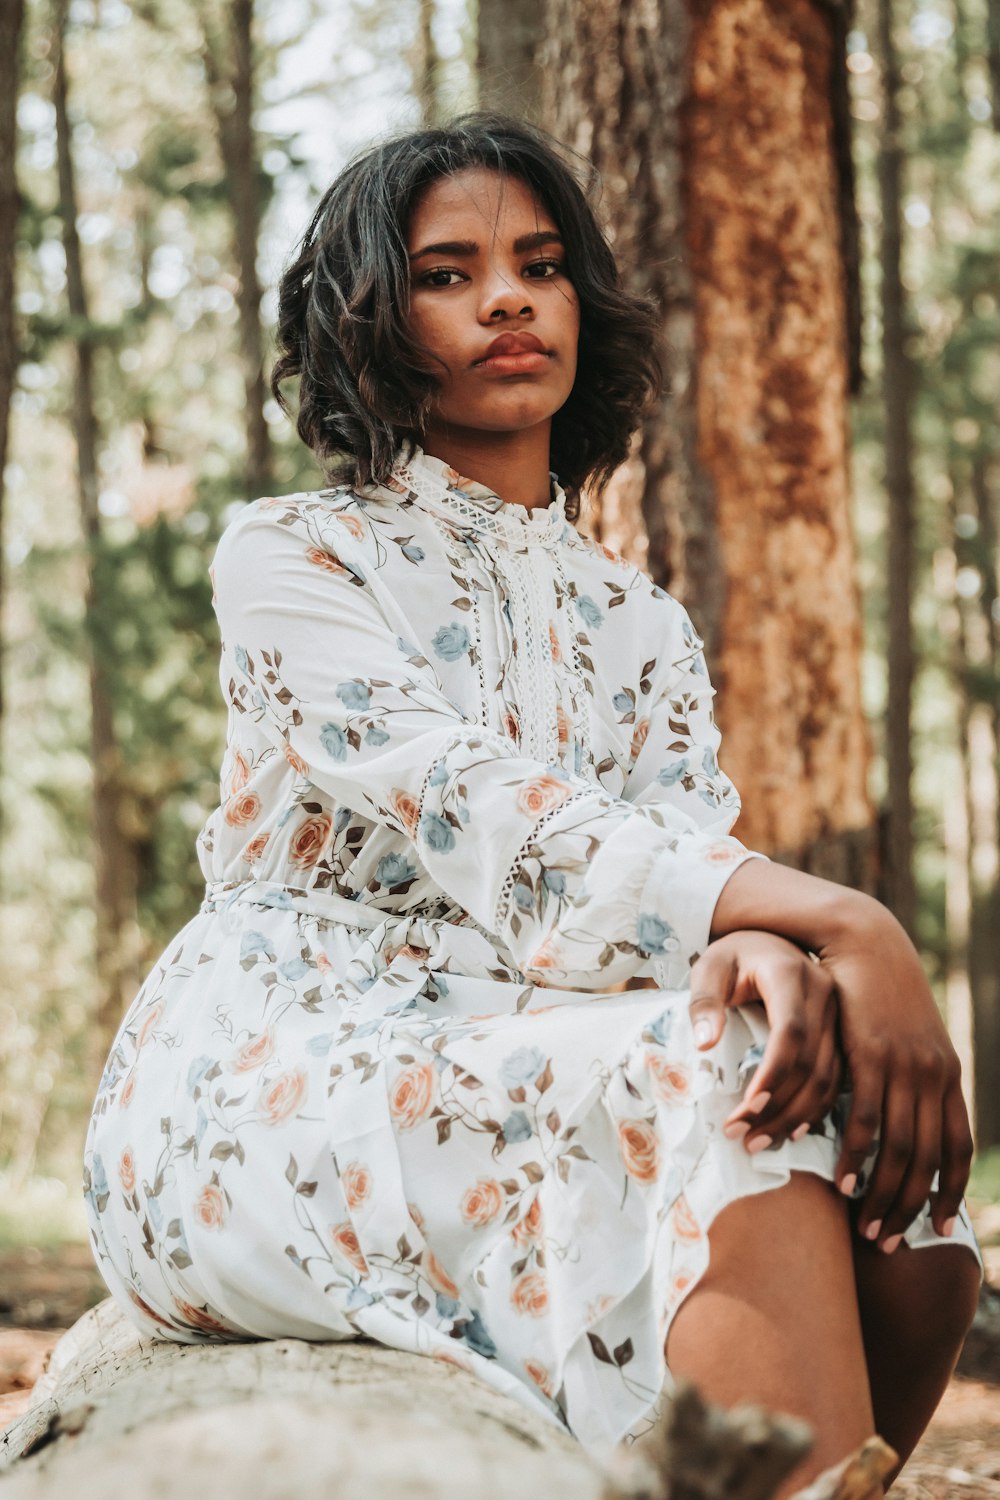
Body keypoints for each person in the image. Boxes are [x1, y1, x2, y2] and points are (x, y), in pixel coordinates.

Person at [82, 112, 982, 1497]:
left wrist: (753, 946)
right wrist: (835, 915)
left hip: (537, 1033)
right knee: (728, 1091)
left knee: (904, 1238)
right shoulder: (294, 554)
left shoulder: (639, 621)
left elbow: (680, 843)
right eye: (448, 273)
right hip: (283, 1060)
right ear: (368, 321)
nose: (506, 296)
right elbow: (479, 807)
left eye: (540, 264)